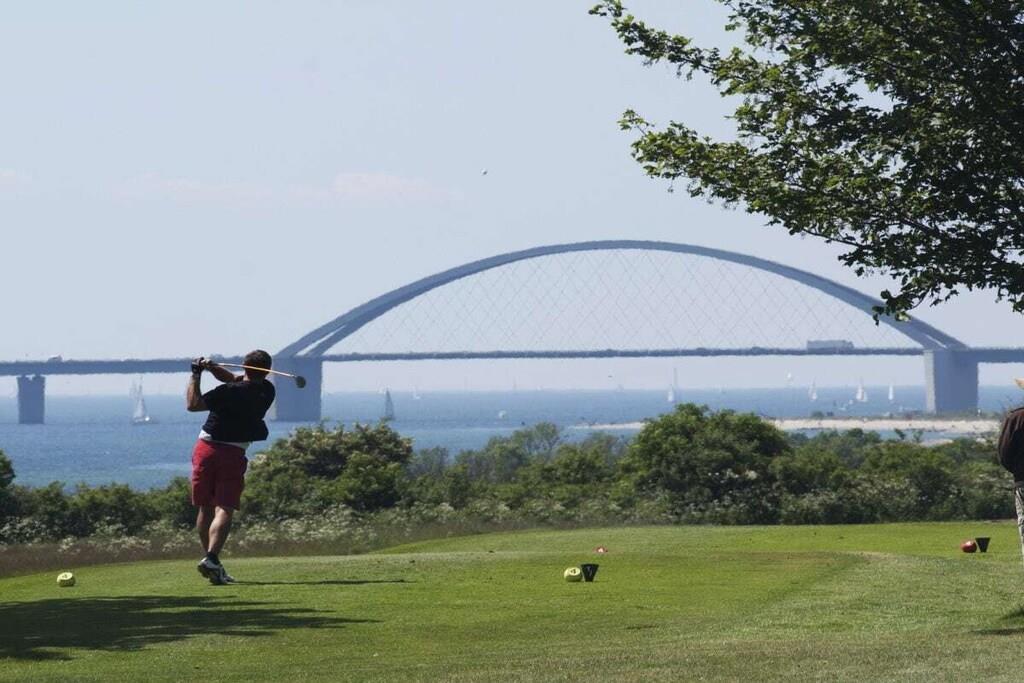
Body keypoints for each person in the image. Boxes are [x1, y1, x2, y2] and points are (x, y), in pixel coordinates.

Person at [186, 350, 276, 585]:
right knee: (224, 508)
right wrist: (212, 367)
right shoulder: (267, 390)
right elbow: (237, 379)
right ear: (267, 370)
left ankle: (211, 560)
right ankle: (212, 559)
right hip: (234, 452)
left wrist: (196, 375)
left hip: (206, 450)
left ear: (244, 366)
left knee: (206, 508)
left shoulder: (227, 391)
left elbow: (193, 405)